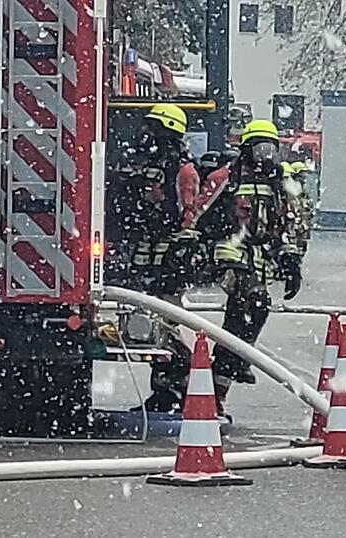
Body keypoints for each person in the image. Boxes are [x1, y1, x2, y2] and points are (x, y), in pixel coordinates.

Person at [200, 120, 305, 415]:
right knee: (254, 301)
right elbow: (200, 212)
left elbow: (287, 222)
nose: (265, 155)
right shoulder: (227, 177)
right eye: (260, 148)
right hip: (229, 252)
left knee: (244, 315)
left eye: (270, 148)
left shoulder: (278, 183)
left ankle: (224, 374)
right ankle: (236, 359)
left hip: (258, 256)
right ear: (246, 149)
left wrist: (290, 258)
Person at [105, 103, 202, 412]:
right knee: (149, 330)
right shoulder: (143, 166)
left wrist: (176, 252)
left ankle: (187, 390)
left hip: (168, 264)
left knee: (167, 328)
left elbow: (186, 215)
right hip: (144, 260)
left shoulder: (183, 171)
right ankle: (162, 395)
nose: (147, 135)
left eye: (155, 129)